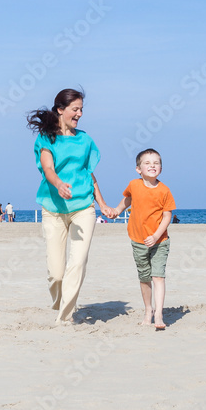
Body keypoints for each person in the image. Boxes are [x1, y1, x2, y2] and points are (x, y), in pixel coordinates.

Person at [28, 88, 110, 326]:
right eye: (75, 109)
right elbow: (48, 169)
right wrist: (58, 184)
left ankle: (65, 317)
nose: (80, 114)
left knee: (78, 261)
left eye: (82, 109)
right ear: (60, 110)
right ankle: (60, 302)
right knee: (56, 273)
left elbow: (89, 174)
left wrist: (102, 203)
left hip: (83, 207)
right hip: (53, 209)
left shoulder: (85, 140)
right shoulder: (46, 138)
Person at [107, 148, 176, 330]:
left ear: (161, 167)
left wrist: (155, 235)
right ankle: (148, 310)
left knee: (158, 276)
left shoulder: (164, 191)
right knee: (144, 278)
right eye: (147, 163)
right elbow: (127, 200)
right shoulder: (134, 185)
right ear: (139, 169)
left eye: (156, 163)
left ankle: (159, 314)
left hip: (159, 241)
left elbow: (167, 216)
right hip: (138, 240)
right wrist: (116, 210)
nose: (152, 166)